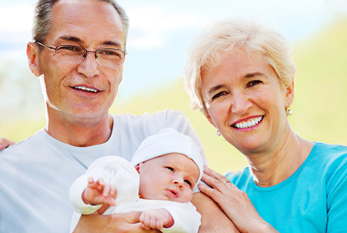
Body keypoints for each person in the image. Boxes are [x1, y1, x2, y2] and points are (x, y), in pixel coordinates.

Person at [0, 0, 212, 232]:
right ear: (34, 58)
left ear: (122, 64)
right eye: (70, 48)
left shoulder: (167, 133)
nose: (90, 69)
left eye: (109, 52)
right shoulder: (6, 177)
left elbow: (216, 227)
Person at [184, 17, 347, 232]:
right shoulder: (220, 195)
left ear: (287, 90)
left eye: (253, 83)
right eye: (221, 94)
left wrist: (255, 225)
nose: (240, 106)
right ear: (208, 117)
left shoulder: (338, 174)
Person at [69, 128, 203, 233]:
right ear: (139, 167)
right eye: (170, 169)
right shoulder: (118, 176)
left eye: (188, 182)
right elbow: (79, 187)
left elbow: (190, 223)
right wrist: (88, 195)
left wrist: (167, 216)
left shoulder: (180, 209)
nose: (179, 182)